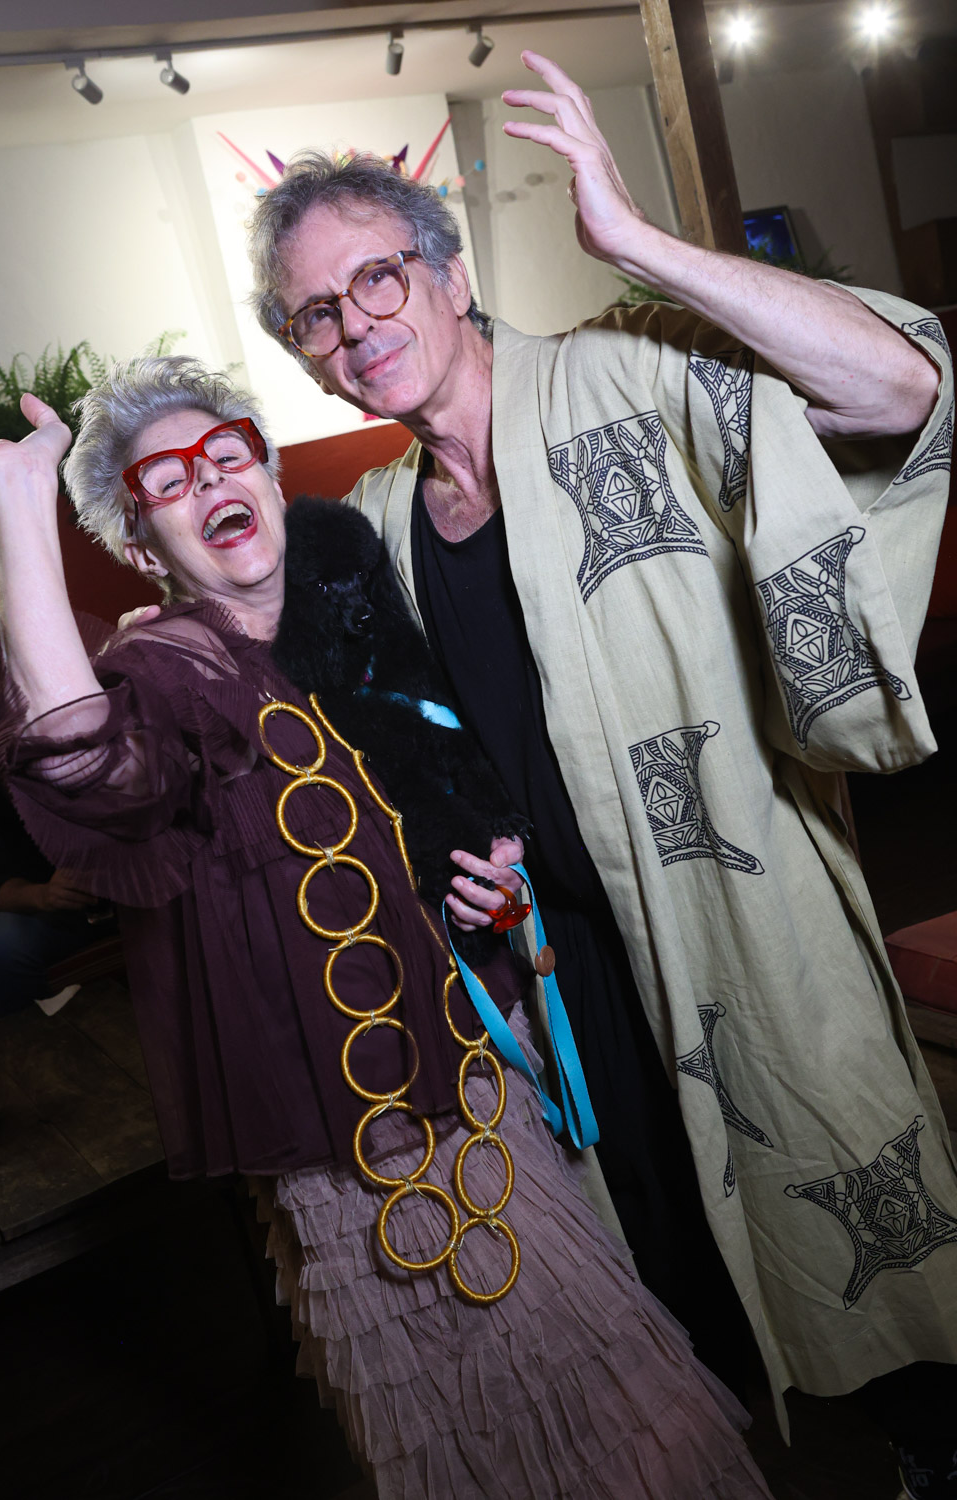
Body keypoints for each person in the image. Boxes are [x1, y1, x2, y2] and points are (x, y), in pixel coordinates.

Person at [246, 49, 957, 1489]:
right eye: (317, 312)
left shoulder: (628, 366)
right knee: (667, 1270)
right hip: (558, 970)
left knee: (854, 1216)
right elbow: (374, 746)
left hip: (738, 916)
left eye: (377, 276)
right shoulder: (372, 525)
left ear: (448, 274)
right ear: (304, 352)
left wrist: (636, 240)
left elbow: (900, 390)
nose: (356, 323)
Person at [0, 357, 775, 1499]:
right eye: (169, 481)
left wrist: (486, 885)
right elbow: (80, 759)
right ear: (143, 549)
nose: (211, 480)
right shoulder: (169, 668)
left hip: (474, 1074)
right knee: (515, 1412)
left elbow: (414, 820)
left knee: (589, 1380)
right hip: (352, 1127)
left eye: (228, 453)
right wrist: (19, 502)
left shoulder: (342, 625)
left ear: (270, 477)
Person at [0, 602, 104, 1018]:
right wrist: (44, 895)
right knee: (0, 941)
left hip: (143, 893)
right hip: (57, 913)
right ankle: (38, 1047)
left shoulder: (107, 702)